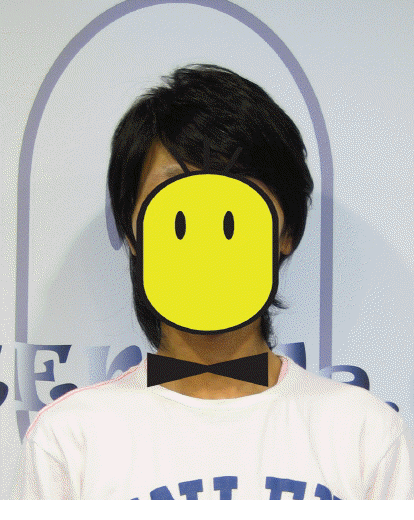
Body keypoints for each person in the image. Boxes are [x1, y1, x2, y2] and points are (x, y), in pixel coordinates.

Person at [10, 64, 413, 500]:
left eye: (234, 195)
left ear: (286, 231)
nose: (206, 234)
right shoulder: (69, 439)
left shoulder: (363, 434)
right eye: (176, 196)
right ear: (132, 233)